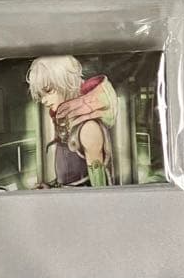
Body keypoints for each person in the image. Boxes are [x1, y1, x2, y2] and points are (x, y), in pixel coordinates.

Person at [26, 56, 117, 187]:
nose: (44, 100)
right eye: (41, 95)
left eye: (48, 91)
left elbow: (99, 190)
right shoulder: (69, 123)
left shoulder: (88, 128)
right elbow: (70, 180)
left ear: (66, 83)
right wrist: (51, 187)